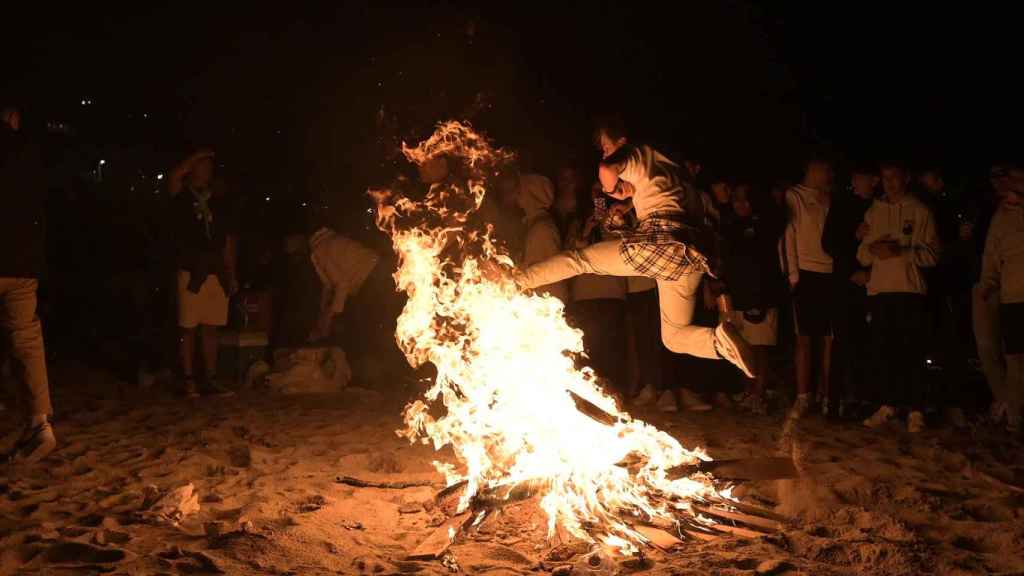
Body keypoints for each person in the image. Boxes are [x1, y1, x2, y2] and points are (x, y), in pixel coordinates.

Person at [513, 117, 755, 378]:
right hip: (690, 256)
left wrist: (613, 188)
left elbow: (606, 169)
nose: (605, 152)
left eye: (606, 146)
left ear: (622, 141)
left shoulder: (637, 152)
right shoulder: (674, 169)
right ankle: (718, 341)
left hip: (662, 242)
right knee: (673, 335)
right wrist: (628, 204)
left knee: (580, 260)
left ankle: (516, 281)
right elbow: (668, 200)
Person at [858, 161, 940, 433]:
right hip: (881, 289)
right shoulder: (874, 211)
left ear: (906, 178)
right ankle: (888, 405)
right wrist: (873, 248)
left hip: (909, 290)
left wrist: (901, 252)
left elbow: (932, 255)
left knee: (912, 351)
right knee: (884, 351)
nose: (889, 182)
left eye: (894, 177)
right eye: (885, 177)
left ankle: (916, 409)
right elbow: (862, 255)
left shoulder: (919, 211)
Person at [0, 106, 56, 463]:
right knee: (26, 339)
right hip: (22, 261)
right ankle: (39, 423)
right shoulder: (30, 152)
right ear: (14, 118)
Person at [167, 149, 239, 398]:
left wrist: (231, 274)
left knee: (212, 327)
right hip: (191, 270)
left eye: (210, 166)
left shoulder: (218, 200)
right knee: (188, 328)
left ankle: (210, 379)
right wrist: (195, 155)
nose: (207, 171)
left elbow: (228, 240)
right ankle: (188, 381)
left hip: (215, 272)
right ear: (193, 168)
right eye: (203, 166)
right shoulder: (183, 197)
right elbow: (174, 177)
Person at [720, 186, 787, 414]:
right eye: (736, 199)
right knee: (742, 346)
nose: (740, 204)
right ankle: (748, 391)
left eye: (745, 200)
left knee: (760, 347)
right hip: (738, 296)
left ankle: (758, 393)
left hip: (763, 296)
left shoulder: (766, 225)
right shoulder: (730, 226)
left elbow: (780, 223)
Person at [562, 181, 628, 396]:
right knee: (590, 346)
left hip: (611, 292)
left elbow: (621, 248)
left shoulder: (618, 219)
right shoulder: (579, 222)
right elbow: (569, 253)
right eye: (595, 191)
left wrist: (607, 224)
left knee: (612, 346)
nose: (598, 196)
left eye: (602, 192)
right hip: (585, 294)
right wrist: (587, 229)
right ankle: (595, 393)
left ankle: (615, 392)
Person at [781, 157, 835, 418]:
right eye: (823, 168)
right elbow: (788, 235)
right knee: (804, 337)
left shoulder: (831, 196)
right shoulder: (794, 196)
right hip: (805, 272)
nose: (827, 173)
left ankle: (827, 395)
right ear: (811, 169)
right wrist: (793, 274)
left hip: (831, 273)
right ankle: (804, 396)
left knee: (829, 338)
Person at [822, 165, 877, 417]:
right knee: (842, 342)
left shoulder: (880, 206)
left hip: (876, 284)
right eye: (853, 177)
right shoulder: (843, 205)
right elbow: (830, 243)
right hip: (845, 283)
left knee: (868, 343)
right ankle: (835, 402)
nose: (854, 182)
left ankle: (866, 399)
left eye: (860, 177)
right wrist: (853, 238)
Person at [980, 165, 1024, 432]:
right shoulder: (1002, 216)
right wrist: (988, 282)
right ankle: (1016, 418)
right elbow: (992, 253)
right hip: (1013, 296)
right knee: (1016, 358)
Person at [972, 165, 1012, 424]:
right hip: (985, 283)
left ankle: (1011, 404)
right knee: (987, 347)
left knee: (1012, 350)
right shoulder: (987, 208)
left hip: (1011, 284)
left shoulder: (1013, 211)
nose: (998, 182)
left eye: (1004, 176)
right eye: (994, 177)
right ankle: (1006, 400)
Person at [516, 173, 568, 303]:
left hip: (545, 302)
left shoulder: (543, 228)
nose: (517, 196)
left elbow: (549, 271)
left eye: (520, 191)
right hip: (537, 300)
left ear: (531, 196)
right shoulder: (534, 224)